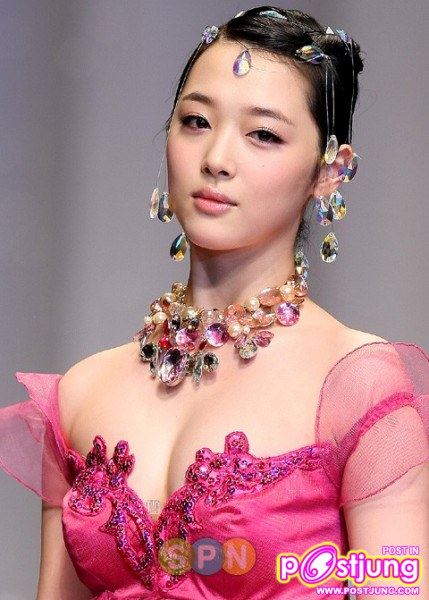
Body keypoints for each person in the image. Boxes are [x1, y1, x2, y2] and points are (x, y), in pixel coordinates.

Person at [1, 6, 428, 600]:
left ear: (330, 172)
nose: (216, 159)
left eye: (263, 134)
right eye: (196, 121)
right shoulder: (81, 392)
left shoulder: (356, 385)